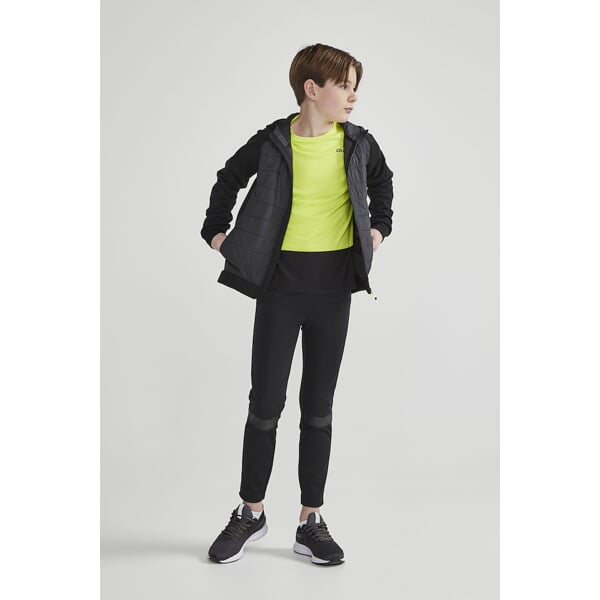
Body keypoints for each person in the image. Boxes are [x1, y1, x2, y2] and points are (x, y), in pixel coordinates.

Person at [201, 42, 394, 566]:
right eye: (344, 86)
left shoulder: (358, 144)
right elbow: (228, 178)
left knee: (319, 409)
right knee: (265, 405)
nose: (353, 96)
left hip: (333, 292)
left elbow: (383, 185)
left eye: (356, 87)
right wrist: (218, 234)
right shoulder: (272, 142)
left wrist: (377, 231)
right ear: (312, 89)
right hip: (279, 290)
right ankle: (251, 512)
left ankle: (311, 521)